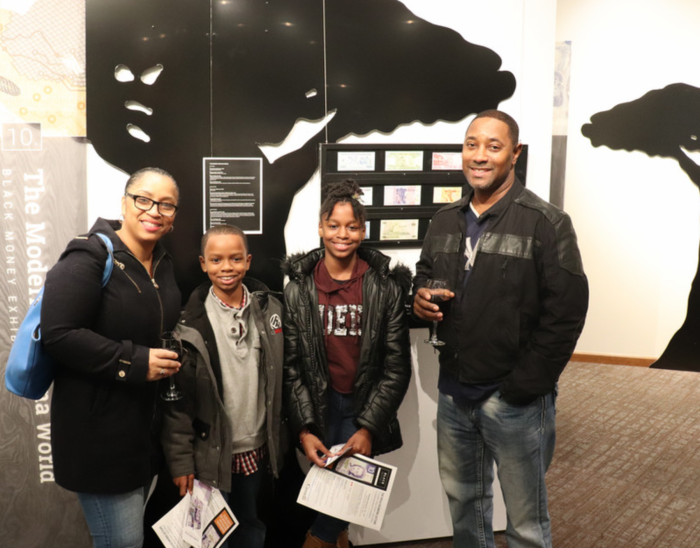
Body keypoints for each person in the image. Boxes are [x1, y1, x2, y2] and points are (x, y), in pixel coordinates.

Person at [413, 110, 589, 548]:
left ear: (514, 154)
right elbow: (424, 274)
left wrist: (523, 388)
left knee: (526, 522)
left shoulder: (547, 223)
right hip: (455, 395)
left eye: (493, 146)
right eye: (472, 144)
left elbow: (566, 313)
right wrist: (419, 298)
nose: (480, 155)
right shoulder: (444, 219)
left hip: (514, 401)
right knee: (464, 506)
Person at [41, 167, 183, 548]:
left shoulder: (164, 265)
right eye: (144, 199)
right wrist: (135, 361)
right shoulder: (88, 253)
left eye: (166, 205)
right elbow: (58, 334)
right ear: (124, 203)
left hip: (145, 437)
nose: (155, 210)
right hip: (100, 440)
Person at [281, 179, 412, 548]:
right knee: (331, 488)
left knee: (344, 490)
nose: (343, 234)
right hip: (320, 406)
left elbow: (397, 367)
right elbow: (291, 369)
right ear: (321, 228)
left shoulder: (384, 289)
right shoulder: (298, 291)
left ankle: (317, 541)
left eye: (352, 226)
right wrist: (304, 428)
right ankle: (336, 538)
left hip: (363, 405)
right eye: (334, 225)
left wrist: (370, 427)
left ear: (363, 230)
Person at [161, 224, 285, 548]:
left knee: (251, 524)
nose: (226, 267)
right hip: (210, 453)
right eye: (216, 260)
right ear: (203, 263)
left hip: (256, 447)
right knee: (211, 537)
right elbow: (178, 402)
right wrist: (181, 461)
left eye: (235, 259)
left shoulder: (271, 310)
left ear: (248, 261)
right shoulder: (187, 325)